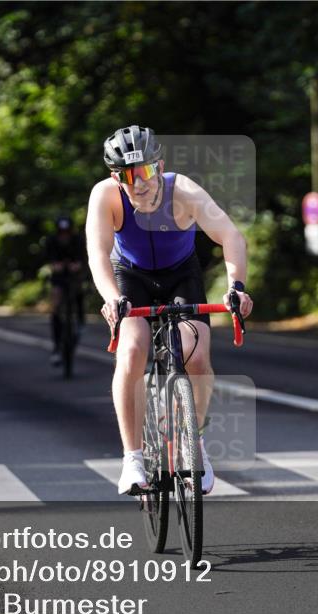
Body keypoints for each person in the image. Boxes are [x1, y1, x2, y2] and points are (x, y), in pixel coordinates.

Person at [86, 125, 253, 495]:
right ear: (116, 177)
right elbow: (97, 253)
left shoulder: (184, 190)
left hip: (180, 275)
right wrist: (112, 298)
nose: (139, 183)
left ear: (159, 166)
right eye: (128, 175)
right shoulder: (105, 196)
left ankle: (196, 444)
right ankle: (133, 458)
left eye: (145, 171)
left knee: (196, 354)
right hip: (130, 277)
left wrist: (236, 287)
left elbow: (230, 236)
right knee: (132, 350)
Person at [46, 216, 86, 366]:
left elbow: (83, 258)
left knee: (79, 292)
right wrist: (55, 265)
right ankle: (57, 346)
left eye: (66, 232)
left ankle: (80, 322)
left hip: (74, 276)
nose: (64, 235)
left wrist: (77, 266)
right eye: (61, 232)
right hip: (59, 277)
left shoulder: (78, 240)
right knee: (56, 303)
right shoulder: (51, 240)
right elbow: (49, 259)